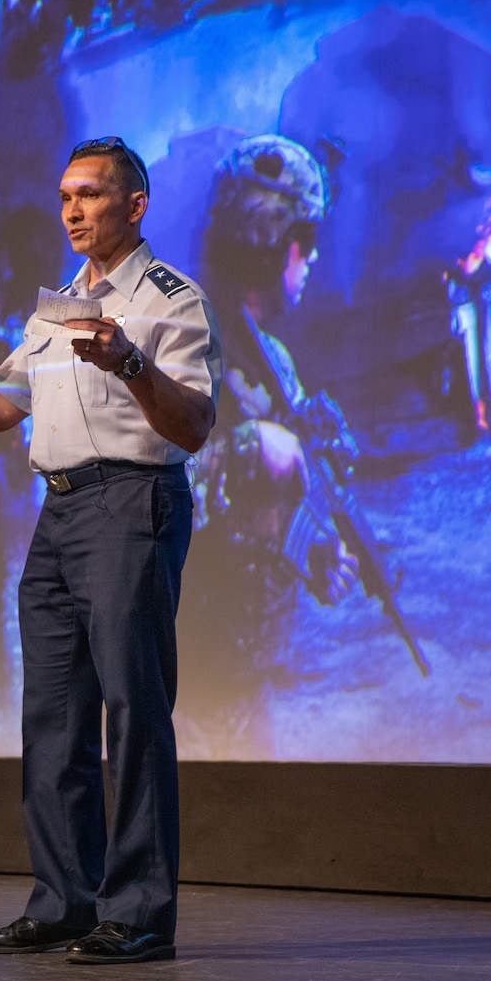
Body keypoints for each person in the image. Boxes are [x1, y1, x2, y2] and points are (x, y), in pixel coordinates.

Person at [0, 136, 221, 964]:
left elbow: (195, 426)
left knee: (133, 714)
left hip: (134, 502)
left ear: (135, 205)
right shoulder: (54, 310)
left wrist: (130, 362)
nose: (73, 208)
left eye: (91, 194)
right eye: (65, 195)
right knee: (53, 721)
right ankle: (64, 901)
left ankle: (138, 914)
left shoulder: (172, 300)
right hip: (57, 515)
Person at [181, 134, 359, 752]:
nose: (310, 260)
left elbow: (256, 514)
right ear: (264, 242)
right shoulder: (183, 340)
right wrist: (249, 449)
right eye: (302, 243)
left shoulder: (273, 359)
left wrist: (308, 550)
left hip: (239, 681)